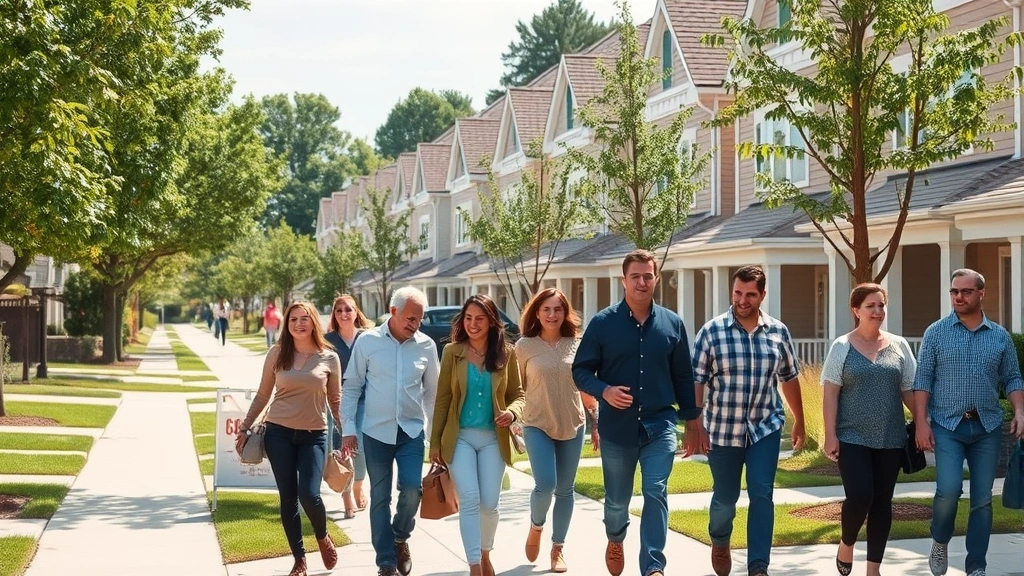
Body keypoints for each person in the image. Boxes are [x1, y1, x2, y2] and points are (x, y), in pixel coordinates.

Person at [573, 249, 700, 576]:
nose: (642, 282)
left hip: (660, 425)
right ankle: (615, 538)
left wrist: (693, 420)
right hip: (618, 429)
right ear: (624, 280)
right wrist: (604, 391)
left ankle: (653, 566)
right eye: (635, 276)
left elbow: (683, 376)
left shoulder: (673, 324)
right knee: (617, 502)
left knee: (656, 490)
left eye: (648, 276)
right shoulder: (602, 324)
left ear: (655, 278)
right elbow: (581, 371)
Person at [687, 265, 805, 576]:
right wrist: (695, 424)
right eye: (738, 293)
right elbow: (696, 381)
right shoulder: (711, 332)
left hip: (764, 427)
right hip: (723, 431)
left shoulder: (778, 332)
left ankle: (758, 567)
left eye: (750, 294)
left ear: (763, 295)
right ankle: (720, 539)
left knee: (762, 493)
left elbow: (789, 378)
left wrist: (800, 420)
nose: (742, 300)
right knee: (725, 500)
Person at [914, 268, 1024, 576]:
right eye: (954, 292)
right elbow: (922, 379)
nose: (958, 297)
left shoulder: (999, 337)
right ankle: (939, 539)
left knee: (982, 500)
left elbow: (1013, 377)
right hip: (947, 426)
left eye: (965, 291)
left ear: (981, 294)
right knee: (948, 491)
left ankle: (976, 565)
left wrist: (1020, 412)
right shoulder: (936, 332)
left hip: (987, 427)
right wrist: (921, 422)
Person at [234, 301, 341, 576]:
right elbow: (262, 395)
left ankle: (321, 535)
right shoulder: (277, 353)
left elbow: (335, 400)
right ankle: (299, 560)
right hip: (278, 433)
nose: (299, 324)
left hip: (314, 435)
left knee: (310, 494)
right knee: (288, 497)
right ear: (287, 323)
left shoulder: (329, 357)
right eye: (293, 319)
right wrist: (245, 427)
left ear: (314, 321)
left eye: (304, 318)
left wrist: (347, 433)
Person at [340, 286, 439, 576]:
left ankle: (399, 538)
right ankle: (385, 561)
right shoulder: (367, 342)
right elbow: (352, 387)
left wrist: (434, 437)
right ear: (393, 312)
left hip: (410, 433)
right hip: (375, 433)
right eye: (410, 318)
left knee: (412, 491)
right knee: (380, 497)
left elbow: (432, 394)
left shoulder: (426, 346)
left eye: (419, 319)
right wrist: (348, 428)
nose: (415, 324)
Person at [821, 283, 917, 576]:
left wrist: (924, 423)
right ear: (856, 310)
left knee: (882, 502)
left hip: (891, 437)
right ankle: (847, 542)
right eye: (870, 306)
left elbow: (910, 390)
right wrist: (830, 435)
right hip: (852, 436)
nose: (877, 311)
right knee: (861, 495)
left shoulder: (899, 345)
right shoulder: (842, 346)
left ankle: (873, 569)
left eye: (881, 305)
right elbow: (830, 394)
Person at [430, 294, 526, 576]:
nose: (473, 324)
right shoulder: (452, 352)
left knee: (490, 504)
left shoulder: (506, 353)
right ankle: (474, 564)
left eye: (480, 319)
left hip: (493, 439)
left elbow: (518, 395)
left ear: (492, 321)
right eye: (468, 318)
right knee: (470, 498)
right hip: (460, 437)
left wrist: (512, 412)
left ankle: (485, 553)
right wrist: (435, 442)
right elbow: (443, 399)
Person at [516, 287, 598, 573]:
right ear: (536, 312)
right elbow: (516, 389)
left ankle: (557, 548)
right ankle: (536, 526)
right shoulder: (524, 346)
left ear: (565, 313)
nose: (552, 315)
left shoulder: (577, 343)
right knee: (546, 485)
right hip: (536, 422)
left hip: (573, 423)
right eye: (546, 309)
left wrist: (596, 421)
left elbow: (585, 385)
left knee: (565, 490)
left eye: (558, 309)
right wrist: (514, 420)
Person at [323, 294, 374, 518]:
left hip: (365, 400)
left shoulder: (368, 338)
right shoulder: (327, 340)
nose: (344, 314)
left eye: (348, 310)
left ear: (356, 312)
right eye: (339, 310)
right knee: (340, 448)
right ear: (334, 315)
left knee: (359, 445)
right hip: (336, 400)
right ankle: (346, 497)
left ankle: (357, 486)